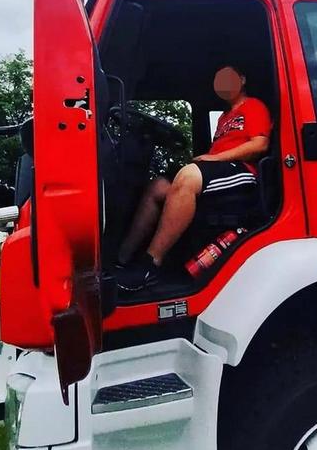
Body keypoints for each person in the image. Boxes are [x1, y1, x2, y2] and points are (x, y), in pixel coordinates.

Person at [116, 64, 272, 291]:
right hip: (218, 169)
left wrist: (213, 159)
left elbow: (260, 145)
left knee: (188, 175)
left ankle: (151, 264)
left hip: (243, 173)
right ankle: (121, 260)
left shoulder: (254, 106)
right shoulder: (225, 117)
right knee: (158, 186)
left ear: (242, 79)